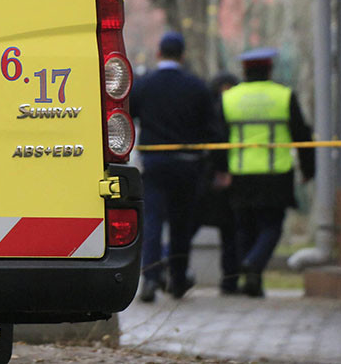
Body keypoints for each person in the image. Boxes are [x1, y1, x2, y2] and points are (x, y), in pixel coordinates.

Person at [130, 31, 219, 302]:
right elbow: (211, 128)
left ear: (158, 53)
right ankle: (178, 279)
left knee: (153, 220)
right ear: (183, 55)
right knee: (181, 222)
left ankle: (150, 278)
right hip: (186, 165)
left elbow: (128, 114)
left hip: (154, 164)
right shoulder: (196, 86)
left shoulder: (145, 84)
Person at [220, 47, 315, 297]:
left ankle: (252, 280)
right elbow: (301, 134)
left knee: (245, 229)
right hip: (276, 174)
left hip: (240, 173)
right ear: (270, 69)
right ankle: (253, 264)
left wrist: (221, 170)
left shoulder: (230, 98)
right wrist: (308, 169)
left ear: (244, 71)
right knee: (272, 227)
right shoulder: (283, 96)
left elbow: (219, 138)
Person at [195, 72, 241, 295]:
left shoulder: (206, 107)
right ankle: (230, 280)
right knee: (229, 231)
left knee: (195, 224)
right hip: (219, 177)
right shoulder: (224, 108)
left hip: (209, 176)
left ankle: (229, 280)